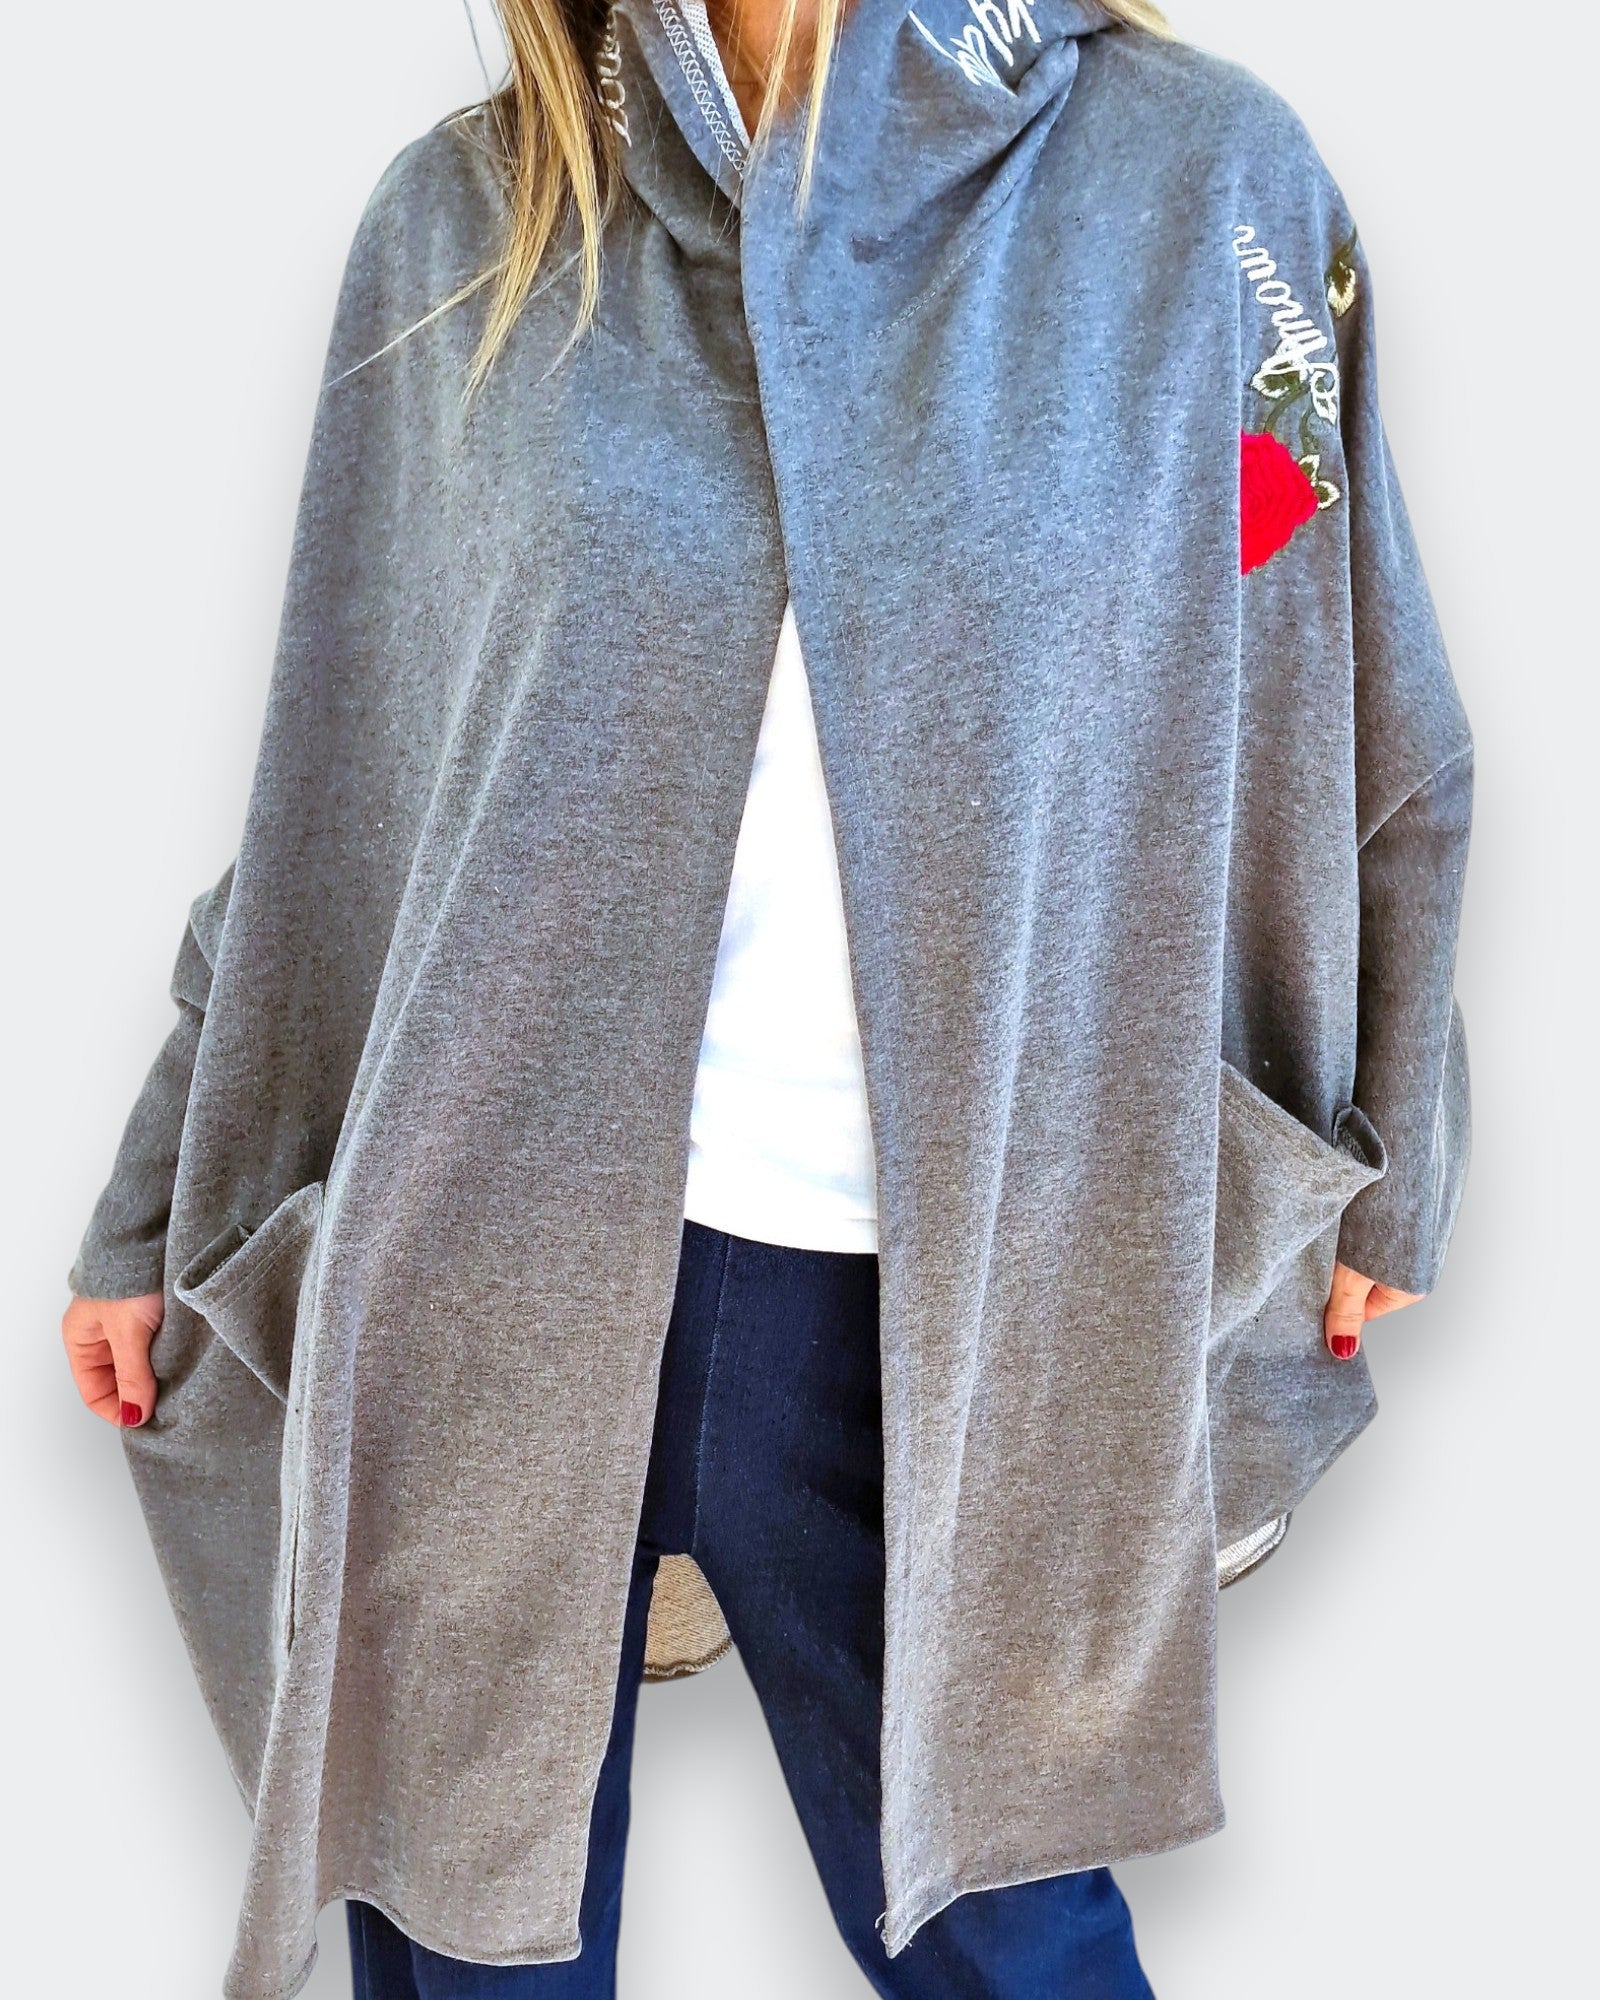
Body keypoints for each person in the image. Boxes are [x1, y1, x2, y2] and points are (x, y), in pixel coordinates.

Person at [59, 0, 1473, 1994]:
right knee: (459, 1943)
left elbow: (1335, 687)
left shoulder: (1205, 194)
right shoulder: (467, 222)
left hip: (940, 1314)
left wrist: (1394, 1134)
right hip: (491, 1274)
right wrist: (154, 1195)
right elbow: (352, 791)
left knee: (1016, 1950)